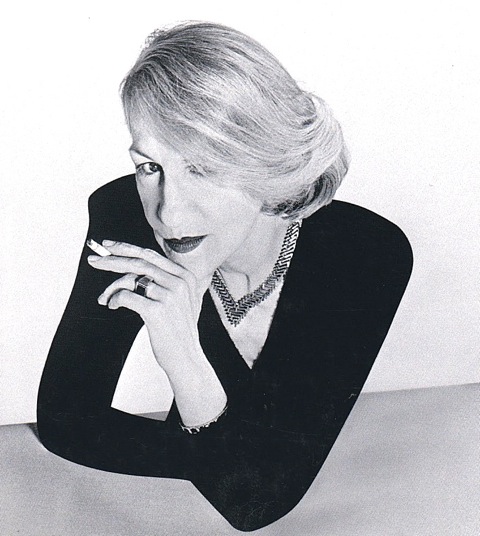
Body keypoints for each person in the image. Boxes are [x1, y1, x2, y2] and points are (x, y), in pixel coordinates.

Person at [37, 22, 413, 531]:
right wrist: (230, 456)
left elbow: (254, 505)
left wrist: (183, 354)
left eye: (203, 168)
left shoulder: (362, 254)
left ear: (267, 163)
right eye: (149, 166)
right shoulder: (124, 214)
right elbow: (66, 421)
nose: (167, 213)